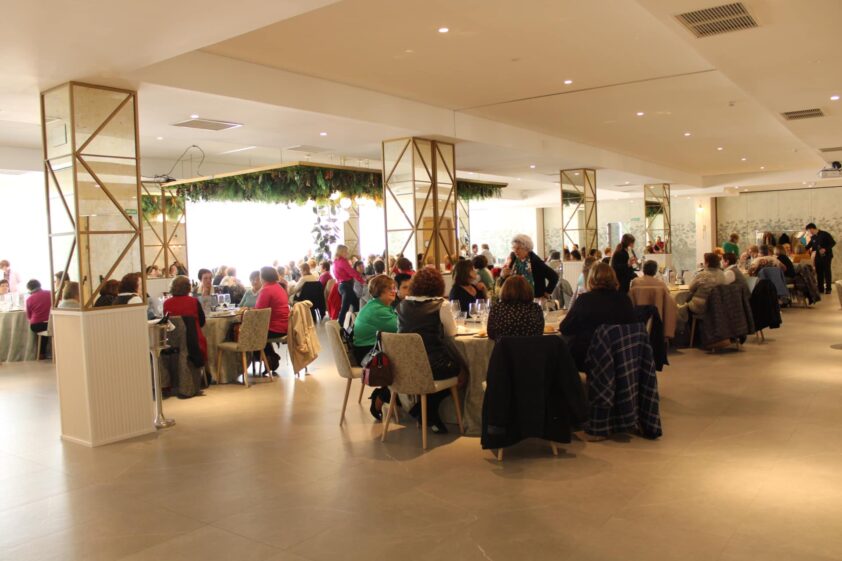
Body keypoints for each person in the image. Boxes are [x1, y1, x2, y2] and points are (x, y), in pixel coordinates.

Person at [396, 268, 461, 434]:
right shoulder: (441, 304)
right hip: (433, 364)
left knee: (436, 372)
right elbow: (451, 333)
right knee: (462, 373)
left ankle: (423, 411)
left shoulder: (403, 305)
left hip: (406, 365)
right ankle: (426, 411)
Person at [559, 263, 636, 371]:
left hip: (590, 358)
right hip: (621, 357)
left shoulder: (585, 300)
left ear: (590, 279)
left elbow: (565, 328)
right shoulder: (625, 299)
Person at [351, 275, 399, 420]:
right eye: (389, 289)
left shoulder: (378, 305)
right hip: (368, 355)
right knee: (406, 364)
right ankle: (384, 395)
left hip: (370, 350)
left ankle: (394, 398)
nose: (394, 291)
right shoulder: (378, 310)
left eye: (394, 288)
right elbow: (401, 327)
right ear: (379, 291)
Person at [163, 275, 207, 361]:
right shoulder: (193, 301)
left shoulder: (166, 303)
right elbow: (202, 322)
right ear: (188, 287)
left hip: (173, 343)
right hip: (194, 343)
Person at [677, 253, 725, 332]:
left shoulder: (702, 275)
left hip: (701, 306)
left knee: (682, 305)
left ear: (707, 263)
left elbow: (691, 288)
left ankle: (691, 334)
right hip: (717, 305)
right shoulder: (722, 274)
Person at [486, 276, 544, 341]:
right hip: (531, 350)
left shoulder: (497, 308)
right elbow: (540, 332)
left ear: (504, 289)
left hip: (504, 350)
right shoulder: (535, 308)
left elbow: (491, 334)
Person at [500, 234, 558, 299]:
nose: (515, 250)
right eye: (514, 248)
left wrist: (547, 293)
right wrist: (502, 276)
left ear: (527, 249)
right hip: (514, 298)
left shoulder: (535, 261)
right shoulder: (513, 258)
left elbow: (554, 277)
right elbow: (506, 280)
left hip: (532, 299)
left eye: (518, 248)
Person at [255, 266, 289, 372]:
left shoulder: (266, 290)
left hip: (275, 327)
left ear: (262, 277)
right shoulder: (279, 287)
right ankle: (270, 357)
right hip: (285, 325)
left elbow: (259, 313)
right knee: (258, 331)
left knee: (248, 333)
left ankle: (269, 357)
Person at [332, 244, 365, 327]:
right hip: (346, 286)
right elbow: (351, 272)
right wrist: (362, 281)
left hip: (342, 285)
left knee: (355, 304)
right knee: (345, 308)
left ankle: (354, 323)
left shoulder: (336, 261)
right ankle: (340, 326)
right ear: (341, 252)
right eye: (346, 251)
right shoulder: (342, 261)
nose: (347, 253)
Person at [806, 222, 836, 294]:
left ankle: (828, 289)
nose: (809, 233)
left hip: (826, 256)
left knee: (827, 272)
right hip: (818, 257)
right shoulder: (813, 237)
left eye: (809, 231)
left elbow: (833, 243)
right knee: (819, 272)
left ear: (812, 229)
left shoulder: (825, 234)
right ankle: (820, 288)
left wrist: (825, 249)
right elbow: (808, 246)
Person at [25, 279, 51, 357]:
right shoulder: (50, 293)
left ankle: (40, 353)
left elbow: (29, 316)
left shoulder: (29, 299)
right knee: (47, 328)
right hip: (51, 323)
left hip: (37, 325)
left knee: (41, 331)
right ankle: (46, 352)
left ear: (29, 289)